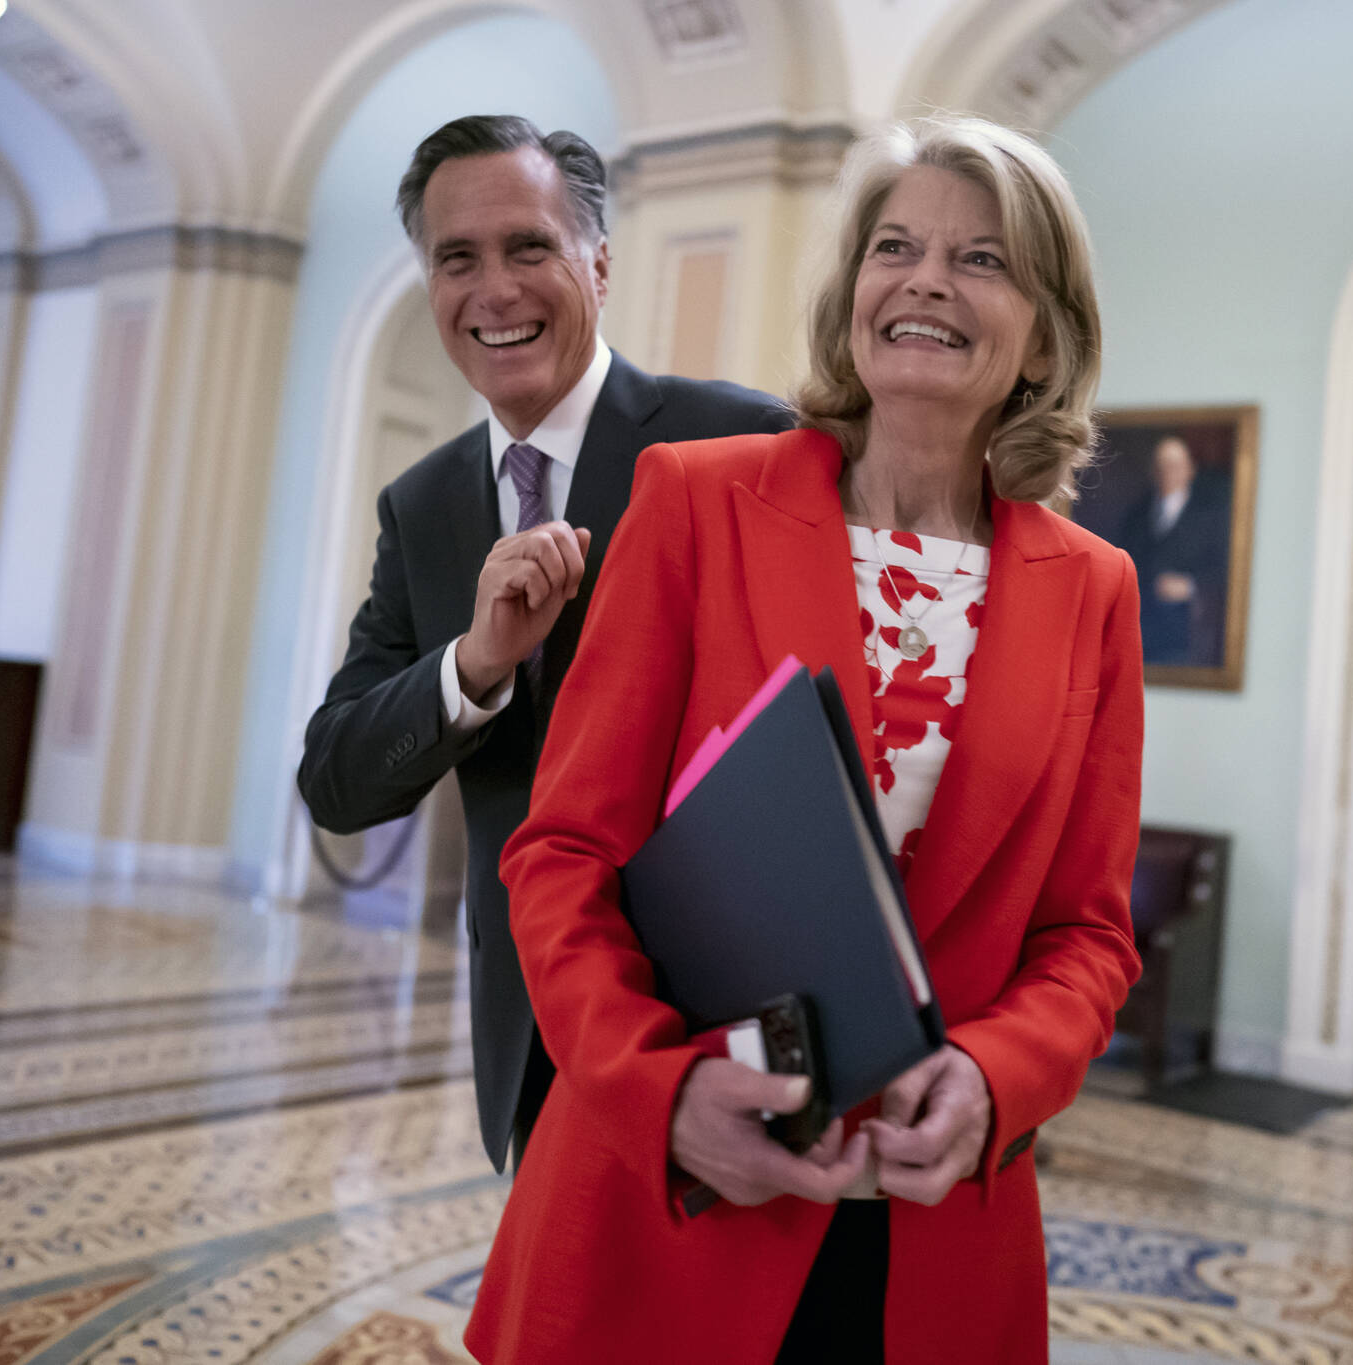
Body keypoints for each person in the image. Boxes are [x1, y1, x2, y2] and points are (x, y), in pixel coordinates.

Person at [462, 115, 1143, 1364]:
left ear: (1043, 334)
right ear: (852, 299)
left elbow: (1086, 934)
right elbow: (559, 856)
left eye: (982, 259)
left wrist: (998, 1079)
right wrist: (658, 1093)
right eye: (895, 246)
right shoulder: (695, 501)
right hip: (665, 1203)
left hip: (927, 1237)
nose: (927, 278)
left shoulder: (1092, 590)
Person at [296, 115, 787, 1174]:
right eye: (455, 259)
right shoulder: (421, 508)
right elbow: (335, 783)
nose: (494, 290)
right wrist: (473, 668)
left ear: (598, 265)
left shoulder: (739, 443)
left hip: (722, 1007)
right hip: (531, 1025)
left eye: (529, 248)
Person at [1116, 433, 1229, 666]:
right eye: (1162, 466)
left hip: (1187, 630)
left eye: (1175, 466)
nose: (1168, 472)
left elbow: (1224, 570)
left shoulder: (1211, 516)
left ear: (1190, 470)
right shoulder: (1136, 515)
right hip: (1142, 626)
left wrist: (1190, 586)